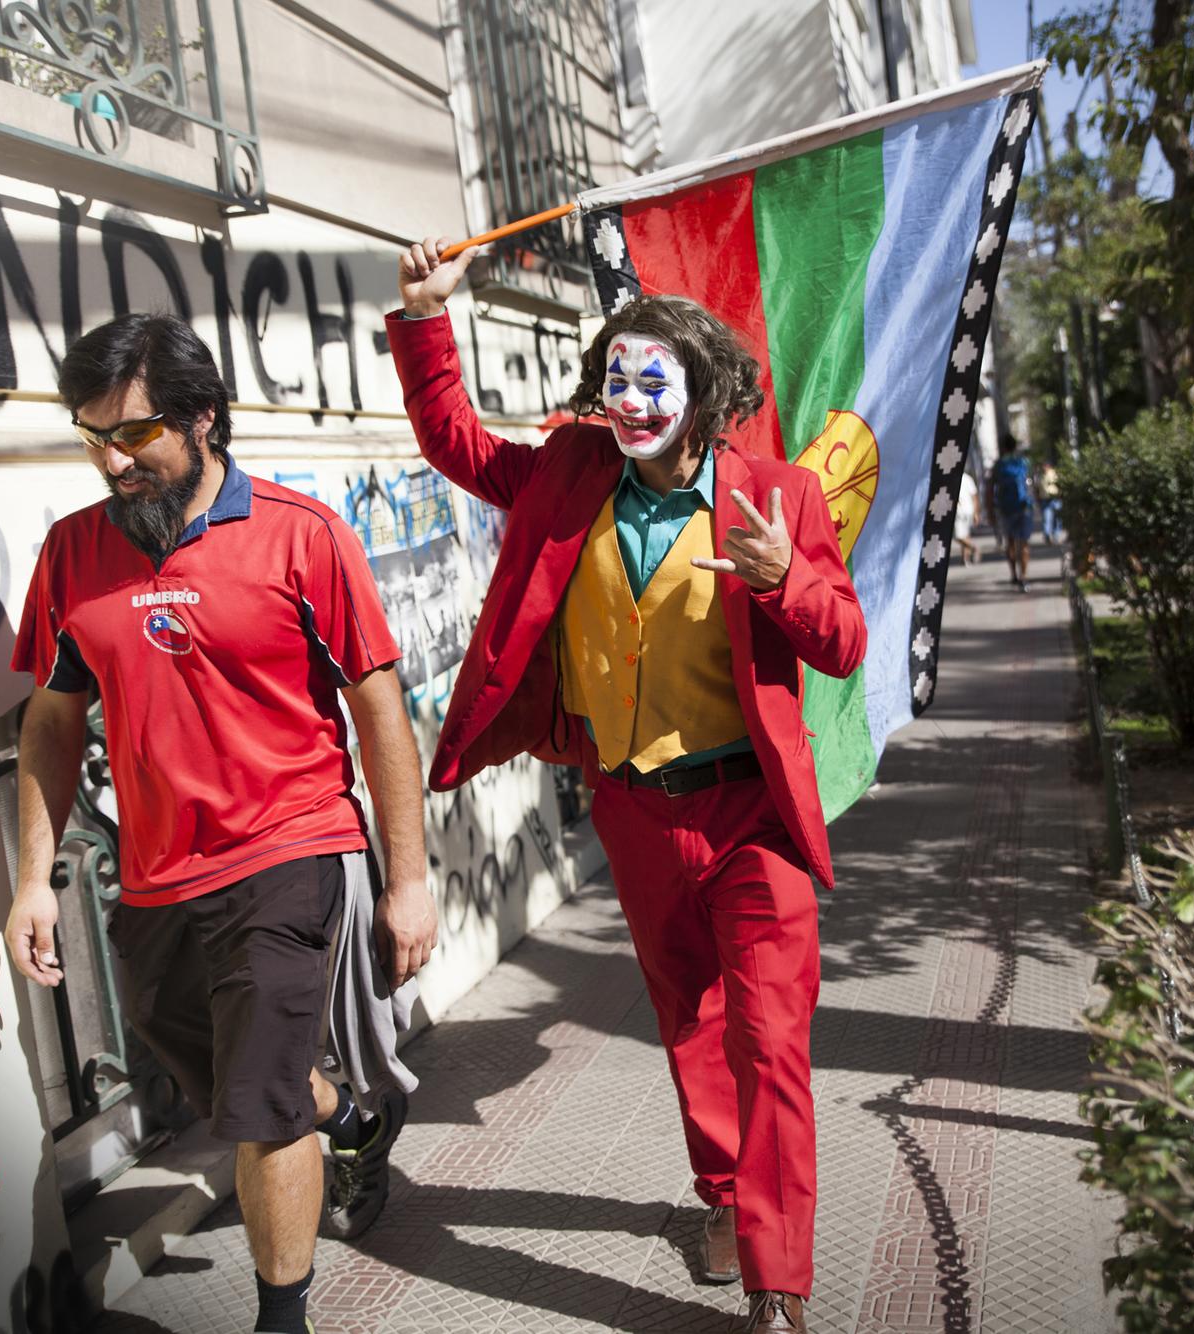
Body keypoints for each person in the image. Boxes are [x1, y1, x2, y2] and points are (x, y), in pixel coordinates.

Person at [390, 239, 866, 1334]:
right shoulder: (569, 473)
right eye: (616, 376)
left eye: (653, 379)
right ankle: (719, 1195)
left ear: (704, 392)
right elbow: (455, 443)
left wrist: (781, 577)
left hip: (752, 814)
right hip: (634, 807)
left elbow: (840, 641)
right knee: (691, 1019)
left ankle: (777, 1276)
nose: (630, 397)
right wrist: (423, 320)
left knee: (770, 1036)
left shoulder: (779, 496)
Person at [2, 315, 438, 1334]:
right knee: (225, 1069)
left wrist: (405, 878)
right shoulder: (72, 553)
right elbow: (52, 722)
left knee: (259, 1103)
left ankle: (281, 1316)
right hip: (155, 877)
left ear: (203, 418)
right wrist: (32, 879)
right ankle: (355, 1109)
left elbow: (379, 710)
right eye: (92, 437)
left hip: (290, 844)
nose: (114, 460)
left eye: (137, 433)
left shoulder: (301, 532)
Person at [989, 440, 1037, 590]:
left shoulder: (998, 465)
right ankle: (1024, 575)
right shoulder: (1024, 462)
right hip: (1024, 507)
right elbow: (1032, 483)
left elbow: (991, 488)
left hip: (1006, 508)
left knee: (1009, 542)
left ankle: (1014, 574)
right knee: (1024, 543)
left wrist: (990, 509)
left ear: (1003, 447)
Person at [1038, 458, 1064, 544]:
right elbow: (1037, 488)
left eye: (1045, 466)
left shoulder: (1055, 474)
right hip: (1045, 500)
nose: (1043, 467)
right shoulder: (1040, 476)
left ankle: (1056, 535)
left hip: (1055, 499)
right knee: (1047, 518)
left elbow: (1061, 485)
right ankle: (1047, 535)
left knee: (1057, 518)